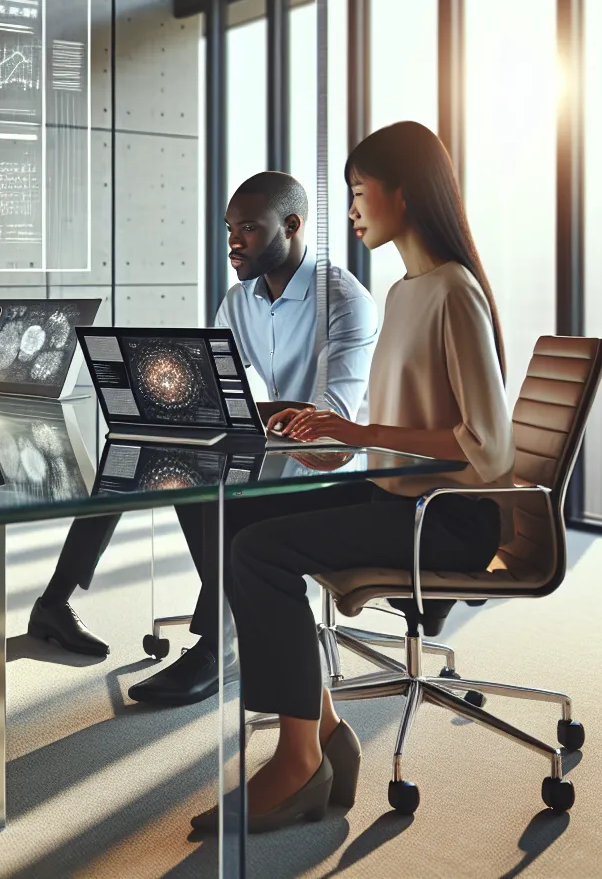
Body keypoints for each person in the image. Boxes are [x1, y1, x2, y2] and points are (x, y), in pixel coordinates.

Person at [197, 121, 514, 833]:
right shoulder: (407, 291)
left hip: (451, 518)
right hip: (401, 492)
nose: (352, 211)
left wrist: (358, 432)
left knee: (259, 552)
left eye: (360, 193)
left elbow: (487, 449)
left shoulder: (452, 292)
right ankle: (324, 726)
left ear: (402, 195)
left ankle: (299, 758)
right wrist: (330, 434)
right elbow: (392, 428)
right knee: (241, 516)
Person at [28, 172, 377, 710]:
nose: (233, 241)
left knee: (194, 474)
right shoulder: (240, 302)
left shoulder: (344, 302)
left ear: (291, 226)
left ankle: (220, 643)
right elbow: (221, 393)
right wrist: (194, 409)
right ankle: (55, 600)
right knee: (144, 450)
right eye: (229, 228)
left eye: (249, 229)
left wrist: (245, 413)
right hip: (278, 458)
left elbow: (330, 429)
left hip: (334, 474)